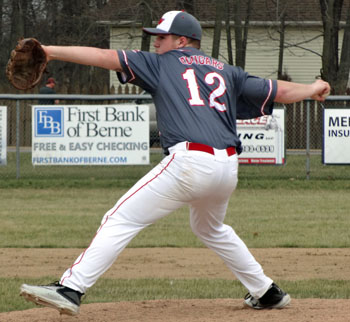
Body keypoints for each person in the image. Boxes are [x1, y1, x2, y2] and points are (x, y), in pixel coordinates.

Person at [20, 10, 330, 316]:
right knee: (210, 228)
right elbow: (281, 90)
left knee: (120, 218)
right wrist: (314, 88)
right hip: (227, 168)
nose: (155, 42)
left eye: (161, 37)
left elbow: (103, 56)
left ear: (182, 41)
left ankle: (70, 289)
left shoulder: (161, 63)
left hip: (190, 162)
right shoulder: (226, 70)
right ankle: (266, 292)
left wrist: (49, 51)